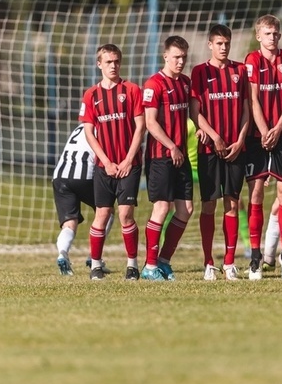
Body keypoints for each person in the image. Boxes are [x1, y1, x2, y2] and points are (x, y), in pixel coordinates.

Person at [244, 14, 282, 280]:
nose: (272, 37)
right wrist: (265, 130)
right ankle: (255, 259)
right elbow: (253, 99)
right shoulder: (252, 60)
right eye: (268, 33)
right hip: (257, 137)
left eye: (276, 33)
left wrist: (278, 129)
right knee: (256, 193)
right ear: (259, 36)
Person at [79, 44, 145, 281]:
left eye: (116, 61)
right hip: (104, 166)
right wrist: (106, 161)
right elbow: (89, 132)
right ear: (99, 64)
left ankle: (132, 265)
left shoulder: (132, 90)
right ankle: (95, 265)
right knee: (103, 214)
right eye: (108, 62)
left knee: (126, 215)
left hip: (130, 164)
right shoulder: (91, 95)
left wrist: (128, 159)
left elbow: (141, 127)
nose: (113, 65)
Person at [190, 24, 250, 281]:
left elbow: (247, 108)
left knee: (233, 204)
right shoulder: (199, 72)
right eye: (219, 43)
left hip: (236, 149)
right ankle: (208, 263)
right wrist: (215, 137)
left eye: (226, 43)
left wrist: (240, 140)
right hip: (209, 150)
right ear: (210, 45)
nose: (223, 47)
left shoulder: (240, 71)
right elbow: (195, 111)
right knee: (208, 205)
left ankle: (229, 263)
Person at [141, 35, 194, 281]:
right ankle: (149, 266)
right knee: (162, 207)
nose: (180, 61)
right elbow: (150, 123)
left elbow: (192, 114)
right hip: (160, 156)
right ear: (165, 56)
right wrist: (171, 145)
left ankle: (163, 261)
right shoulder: (153, 84)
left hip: (179, 155)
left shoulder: (185, 83)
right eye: (176, 57)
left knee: (186, 209)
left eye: (184, 57)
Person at [52, 124, 115, 276]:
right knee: (107, 212)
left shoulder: (80, 126)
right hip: (84, 174)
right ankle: (93, 257)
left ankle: (63, 254)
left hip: (60, 176)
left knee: (69, 223)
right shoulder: (102, 125)